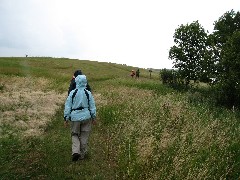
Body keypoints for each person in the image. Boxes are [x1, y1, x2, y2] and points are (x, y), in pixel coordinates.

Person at [64, 75, 97, 161]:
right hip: (87, 117)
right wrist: (93, 117)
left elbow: (68, 106)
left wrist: (66, 118)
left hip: (75, 117)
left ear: (76, 82)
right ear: (85, 82)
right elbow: (92, 106)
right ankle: (82, 155)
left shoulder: (73, 92)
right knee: (84, 135)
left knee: (74, 134)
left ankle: (75, 151)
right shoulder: (88, 93)